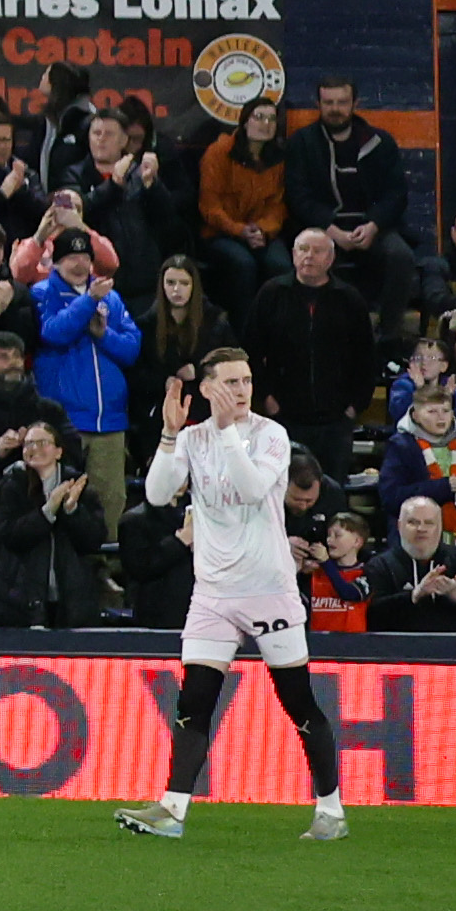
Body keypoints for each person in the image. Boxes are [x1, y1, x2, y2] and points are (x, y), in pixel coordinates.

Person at [120, 347, 352, 843]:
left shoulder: (271, 435)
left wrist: (225, 431)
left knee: (297, 700)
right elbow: (159, 494)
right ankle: (173, 809)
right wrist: (168, 435)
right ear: (206, 389)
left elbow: (249, 489)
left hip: (268, 588)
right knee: (195, 698)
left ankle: (330, 811)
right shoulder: (193, 437)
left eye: (246, 380)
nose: (242, 390)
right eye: (231, 382)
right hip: (213, 593)